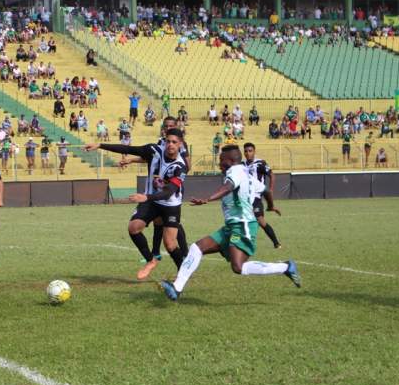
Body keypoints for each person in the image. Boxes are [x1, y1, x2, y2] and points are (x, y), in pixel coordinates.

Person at [159, 145, 301, 301]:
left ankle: (286, 267)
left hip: (243, 225)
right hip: (232, 226)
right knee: (197, 247)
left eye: (221, 160)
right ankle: (176, 288)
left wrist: (208, 199)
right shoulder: (245, 173)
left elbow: (228, 187)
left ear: (231, 160)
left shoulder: (235, 171)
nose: (219, 163)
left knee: (238, 267)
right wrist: (271, 205)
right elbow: (265, 190)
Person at [85, 128, 189, 280]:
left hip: (170, 205)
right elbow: (128, 148)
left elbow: (169, 192)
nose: (170, 145)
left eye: (174, 142)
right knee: (133, 228)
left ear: (180, 144)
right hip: (151, 201)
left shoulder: (180, 167)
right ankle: (151, 260)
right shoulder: (153, 150)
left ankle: (183, 273)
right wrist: (100, 145)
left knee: (170, 244)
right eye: (168, 141)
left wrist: (146, 197)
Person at [243, 143, 281, 249]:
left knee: (260, 221)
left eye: (250, 151)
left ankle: (276, 242)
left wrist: (271, 190)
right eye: (246, 151)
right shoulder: (242, 165)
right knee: (242, 221)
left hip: (256, 196)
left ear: (254, 151)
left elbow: (272, 175)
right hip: (244, 198)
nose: (248, 153)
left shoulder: (260, 163)